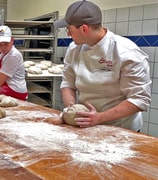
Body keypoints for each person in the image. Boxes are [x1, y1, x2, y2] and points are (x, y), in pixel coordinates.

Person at [54, 0, 151, 131]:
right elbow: (67, 83)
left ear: (84, 28)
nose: (68, 34)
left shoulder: (126, 52)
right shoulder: (74, 49)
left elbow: (139, 99)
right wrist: (71, 110)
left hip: (120, 129)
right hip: (85, 126)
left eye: (69, 29)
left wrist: (99, 118)